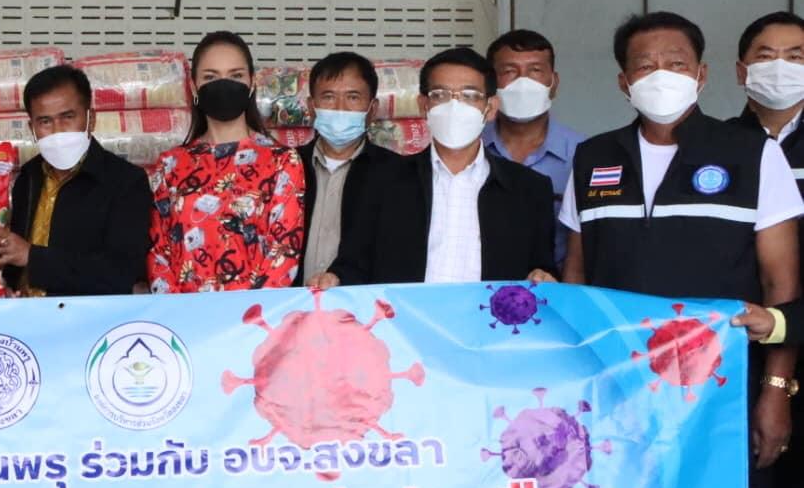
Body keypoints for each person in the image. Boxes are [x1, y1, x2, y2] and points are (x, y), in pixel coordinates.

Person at [560, 11, 802, 488]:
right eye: (645, 66)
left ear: (701, 74)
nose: (660, 76)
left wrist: (776, 392)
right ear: (623, 81)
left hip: (723, 395)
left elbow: (782, 289)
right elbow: (577, 280)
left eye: (675, 63)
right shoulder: (593, 158)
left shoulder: (752, 154)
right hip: (620, 396)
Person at [320, 46, 556, 287]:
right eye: (440, 95)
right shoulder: (381, 181)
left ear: (491, 107)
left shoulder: (529, 190)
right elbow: (354, 263)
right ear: (423, 105)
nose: (455, 106)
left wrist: (543, 277)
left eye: (470, 96)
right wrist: (334, 278)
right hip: (402, 312)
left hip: (487, 312)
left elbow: (541, 270)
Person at [727, 10, 804, 488]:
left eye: (795, 54)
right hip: (737, 364)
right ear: (738, 69)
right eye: (765, 53)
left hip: (791, 350)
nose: (779, 66)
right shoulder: (720, 148)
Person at [147, 30, 306, 292]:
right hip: (183, 313)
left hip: (254, 312)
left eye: (236, 75)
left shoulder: (283, 161)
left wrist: (247, 311)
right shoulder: (169, 165)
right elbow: (158, 252)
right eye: (210, 77)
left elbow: (284, 251)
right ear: (193, 86)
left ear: (252, 83)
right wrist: (176, 310)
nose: (224, 85)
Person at [0, 64, 152, 296]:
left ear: (91, 118)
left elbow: (122, 272)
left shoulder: (126, 181)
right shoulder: (28, 177)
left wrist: (32, 257)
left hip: (85, 316)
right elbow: (15, 255)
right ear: (32, 128)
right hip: (23, 313)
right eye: (45, 121)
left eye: (68, 117)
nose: (58, 131)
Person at [294, 51, 401, 286]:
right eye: (328, 97)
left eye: (353, 97)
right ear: (311, 107)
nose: (340, 108)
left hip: (362, 304)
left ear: (372, 109)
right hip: (289, 303)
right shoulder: (287, 167)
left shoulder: (397, 174)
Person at [482, 30, 581, 270]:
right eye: (509, 71)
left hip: (555, 285)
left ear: (554, 83)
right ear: (490, 84)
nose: (523, 82)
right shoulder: (469, 150)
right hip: (480, 286)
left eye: (535, 70)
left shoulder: (584, 155)